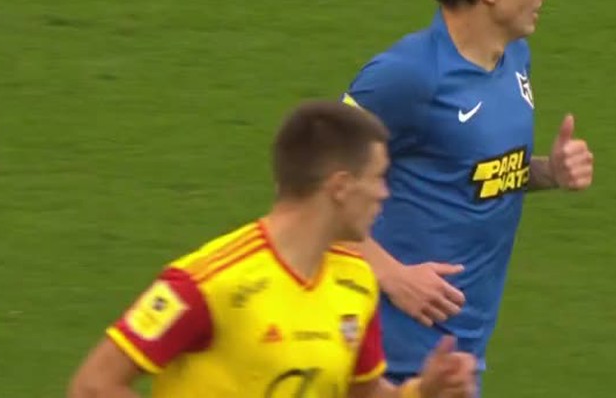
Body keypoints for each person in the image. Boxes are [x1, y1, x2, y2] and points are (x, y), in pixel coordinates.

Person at [341, 0, 595, 390]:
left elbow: (475, 172)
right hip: (388, 361)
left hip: (458, 358)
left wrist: (549, 171)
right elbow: (310, 190)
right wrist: (392, 274)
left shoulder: (512, 57)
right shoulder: (406, 76)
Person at [68, 100, 477, 398]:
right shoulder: (209, 282)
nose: (385, 193)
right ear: (340, 187)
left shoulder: (356, 280)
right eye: (379, 177)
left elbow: (363, 394)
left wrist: (423, 390)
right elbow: (93, 386)